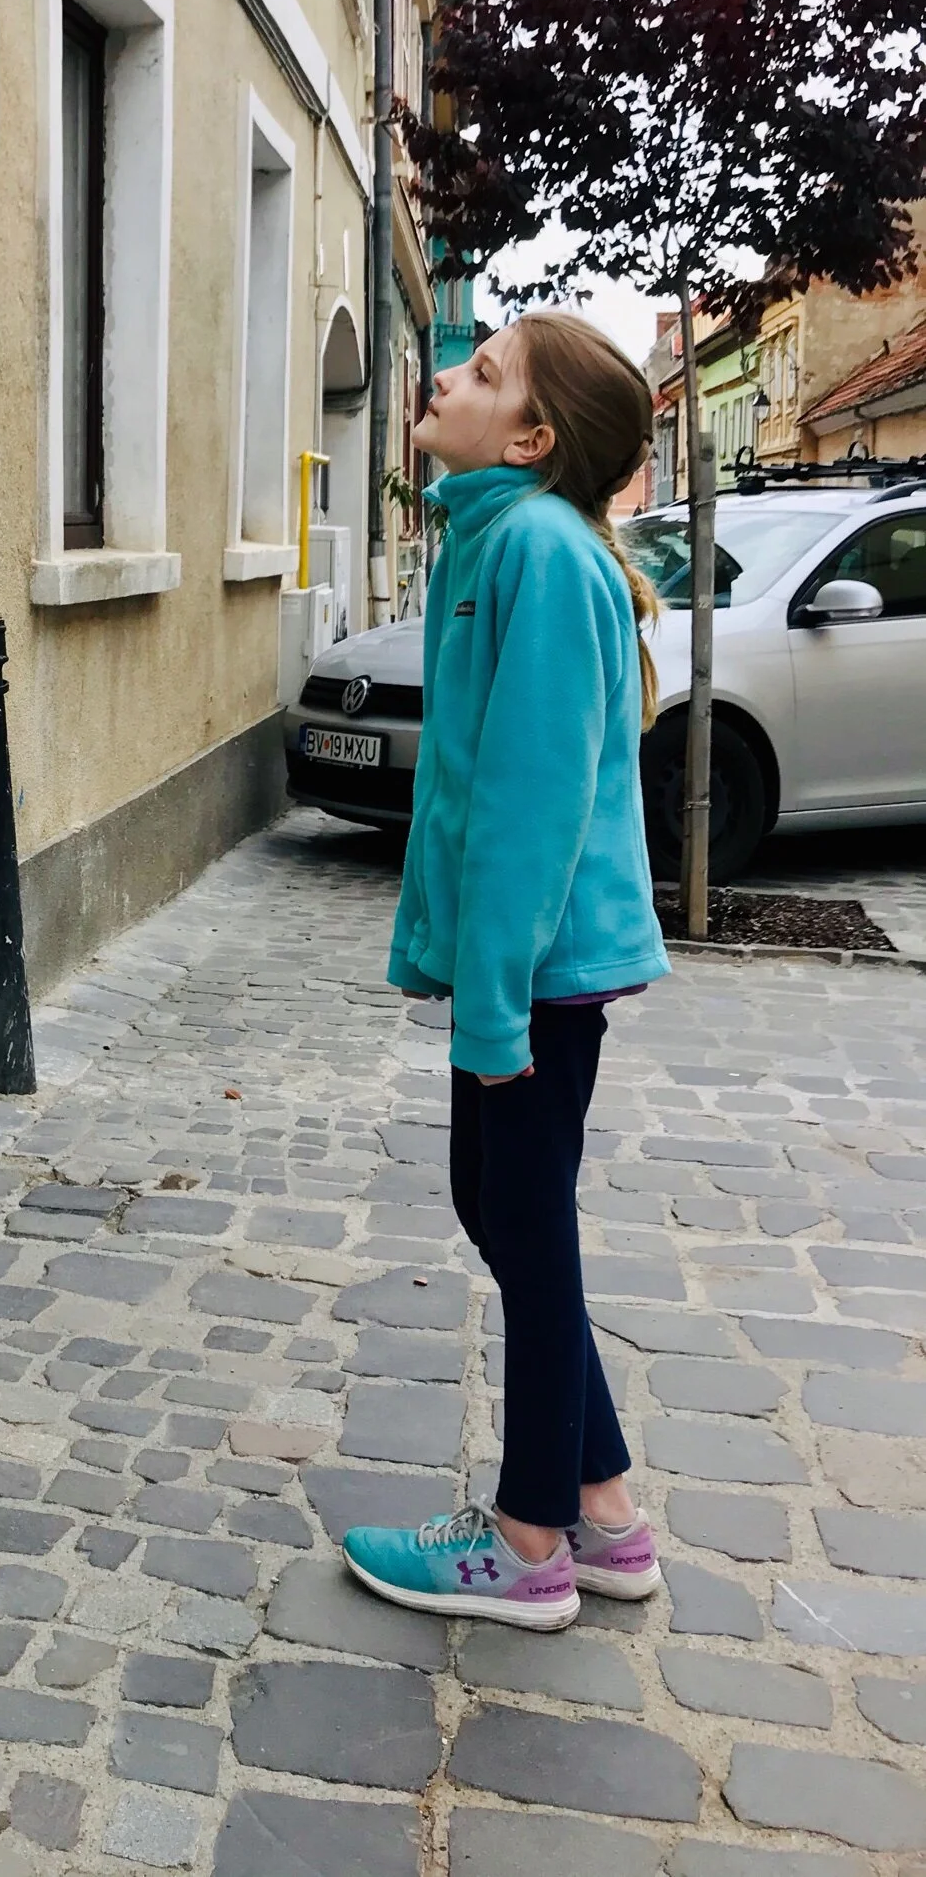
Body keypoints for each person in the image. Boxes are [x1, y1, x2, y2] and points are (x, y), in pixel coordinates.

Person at [341, 311, 671, 1631]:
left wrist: (487, 1013)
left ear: (531, 438)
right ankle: (602, 1515)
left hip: (536, 977)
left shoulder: (532, 553)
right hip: (536, 974)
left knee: (522, 1230)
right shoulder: (505, 539)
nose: (443, 378)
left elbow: (527, 810)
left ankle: (525, 1544)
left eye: (482, 375)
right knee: (508, 1215)